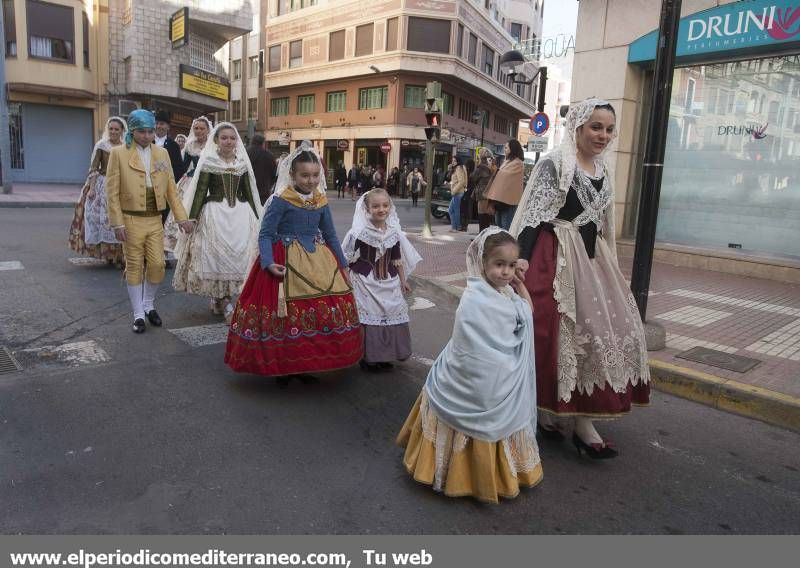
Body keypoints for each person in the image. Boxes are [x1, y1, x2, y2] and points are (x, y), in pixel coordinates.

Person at [510, 98, 650, 459]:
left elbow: (604, 225)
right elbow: (532, 217)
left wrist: (609, 266)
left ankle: (583, 420)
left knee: (605, 333)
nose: (602, 135)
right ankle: (547, 412)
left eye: (607, 128)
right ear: (578, 128)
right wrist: (520, 262)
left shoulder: (604, 169)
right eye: (595, 127)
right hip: (551, 256)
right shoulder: (555, 164)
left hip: (590, 260)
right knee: (552, 336)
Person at [397, 228, 542, 503]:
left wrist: (520, 285)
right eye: (499, 265)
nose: (506, 272)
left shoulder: (507, 294)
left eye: (512, 266)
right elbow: (469, 343)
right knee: (475, 410)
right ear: (483, 263)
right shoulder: (474, 297)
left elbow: (528, 313)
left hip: (502, 375)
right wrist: (495, 361)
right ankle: (457, 475)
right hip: (475, 375)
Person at [224, 143, 363, 384]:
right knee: (284, 318)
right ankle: (284, 367)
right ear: (293, 175)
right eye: (305, 175)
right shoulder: (281, 200)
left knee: (314, 314)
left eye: (315, 175)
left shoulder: (320, 200)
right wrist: (267, 262)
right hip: (282, 260)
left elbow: (330, 235)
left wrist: (342, 265)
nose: (311, 180)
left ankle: (304, 364)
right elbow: (266, 234)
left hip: (316, 261)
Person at [105, 109, 193, 333]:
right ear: (132, 131)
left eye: (150, 131)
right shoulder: (118, 153)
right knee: (134, 265)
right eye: (141, 131)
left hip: (155, 219)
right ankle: (137, 315)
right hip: (130, 219)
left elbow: (171, 190)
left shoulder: (162, 154)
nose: (146, 136)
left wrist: (182, 218)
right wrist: (117, 223)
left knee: (157, 264)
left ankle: (148, 304)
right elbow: (112, 191)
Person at [173, 123, 262, 321]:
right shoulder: (209, 162)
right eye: (224, 138)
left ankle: (224, 299)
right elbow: (199, 192)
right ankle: (221, 300)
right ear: (216, 140)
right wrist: (192, 218)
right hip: (215, 214)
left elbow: (249, 192)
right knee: (215, 258)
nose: (228, 141)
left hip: (240, 215)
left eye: (232, 138)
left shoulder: (242, 164)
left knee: (240, 257)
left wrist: (259, 219)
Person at [343, 189, 422, 372]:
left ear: (390, 207)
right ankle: (368, 357)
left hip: (389, 280)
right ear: (367, 209)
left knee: (391, 313)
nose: (381, 209)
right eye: (376, 206)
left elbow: (397, 260)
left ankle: (386, 355)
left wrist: (403, 281)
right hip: (364, 281)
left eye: (385, 205)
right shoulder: (360, 232)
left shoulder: (394, 233)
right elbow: (348, 257)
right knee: (368, 318)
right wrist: (347, 279)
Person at [69, 117, 128, 267]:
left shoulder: (126, 147)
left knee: (120, 221)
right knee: (101, 220)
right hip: (103, 184)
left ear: (122, 131)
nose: (113, 131)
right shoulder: (102, 145)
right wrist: (92, 189)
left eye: (117, 129)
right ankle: (108, 255)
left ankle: (120, 256)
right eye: (111, 129)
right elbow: (94, 168)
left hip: (120, 185)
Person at [164, 116, 212, 255]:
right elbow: (183, 166)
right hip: (191, 181)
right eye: (196, 128)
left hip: (209, 180)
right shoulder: (190, 145)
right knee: (184, 210)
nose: (198, 131)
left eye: (202, 128)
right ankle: (186, 242)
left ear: (208, 130)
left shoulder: (213, 144)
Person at [486, 140, 525, 230]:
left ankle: (506, 244)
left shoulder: (518, 163)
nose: (504, 149)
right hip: (500, 199)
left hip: (509, 201)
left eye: (506, 147)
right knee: (498, 223)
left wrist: (496, 170)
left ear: (513, 149)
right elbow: (501, 175)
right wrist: (494, 169)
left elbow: (505, 176)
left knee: (506, 225)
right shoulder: (507, 161)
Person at [154, 111, 187, 184]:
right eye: (156, 123)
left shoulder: (174, 145)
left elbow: (178, 169)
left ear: (168, 127)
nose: (158, 126)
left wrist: (169, 182)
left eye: (162, 124)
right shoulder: (148, 141)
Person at [247, 133, 278, 205]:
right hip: (263, 191)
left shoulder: (246, 153)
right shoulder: (269, 155)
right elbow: (275, 174)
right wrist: (269, 185)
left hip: (248, 190)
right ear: (263, 143)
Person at [470, 148, 495, 232]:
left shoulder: (481, 167)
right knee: (486, 215)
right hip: (488, 193)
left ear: (480, 157)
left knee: (482, 215)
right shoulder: (490, 166)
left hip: (482, 194)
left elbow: (473, 177)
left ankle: (482, 235)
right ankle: (484, 234)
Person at [447, 156, 467, 233]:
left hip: (457, 192)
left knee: (455, 210)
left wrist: (454, 191)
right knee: (451, 210)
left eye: (455, 161)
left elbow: (461, 181)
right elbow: (458, 180)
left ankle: (456, 227)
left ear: (458, 161)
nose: (453, 162)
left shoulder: (459, 168)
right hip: (458, 192)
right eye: (452, 161)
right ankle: (455, 227)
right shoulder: (459, 168)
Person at [460, 158, 476, 231]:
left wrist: (465, 190)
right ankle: (465, 226)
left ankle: (464, 226)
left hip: (467, 194)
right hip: (470, 195)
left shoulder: (468, 174)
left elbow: (468, 185)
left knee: (464, 210)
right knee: (467, 210)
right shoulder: (472, 173)